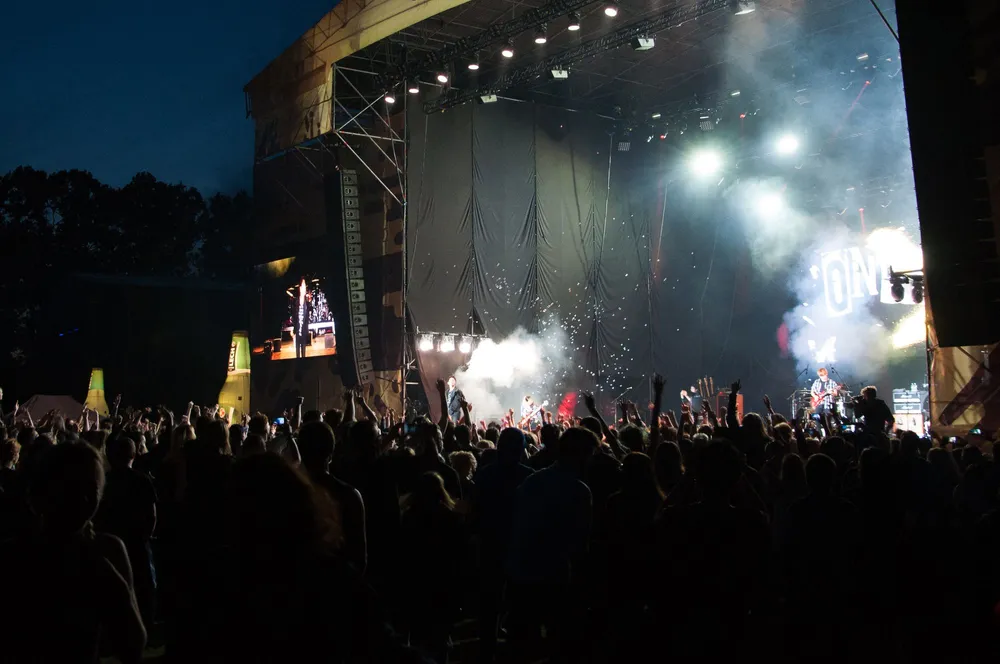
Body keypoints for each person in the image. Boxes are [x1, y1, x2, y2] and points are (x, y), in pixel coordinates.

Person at [0, 442, 147, 663]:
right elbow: (132, 644)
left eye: (92, 489)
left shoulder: (12, 553)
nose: (84, 499)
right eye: (72, 489)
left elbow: (133, 644)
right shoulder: (106, 550)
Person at [293, 278, 312, 359]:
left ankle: (303, 362)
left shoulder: (307, 301)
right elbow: (294, 315)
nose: (304, 288)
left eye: (305, 286)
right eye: (303, 286)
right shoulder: (296, 301)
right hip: (297, 328)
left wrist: (310, 300)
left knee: (303, 348)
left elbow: (309, 311)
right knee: (297, 349)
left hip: (304, 328)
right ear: (300, 288)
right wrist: (294, 328)